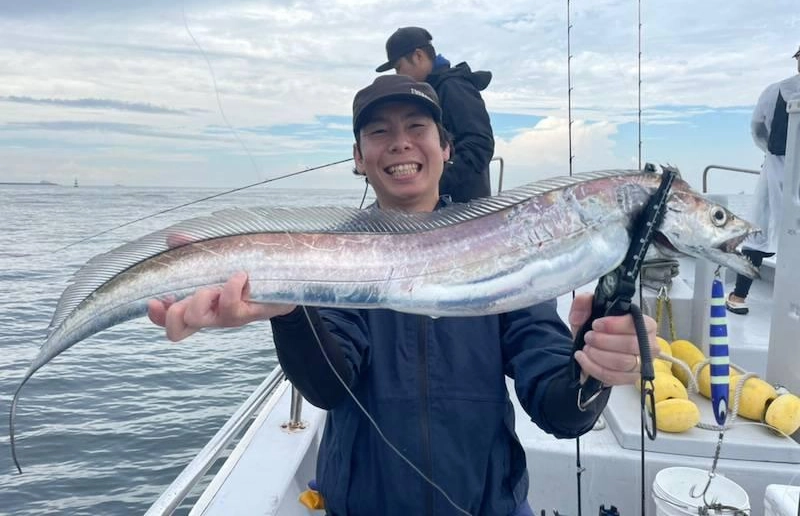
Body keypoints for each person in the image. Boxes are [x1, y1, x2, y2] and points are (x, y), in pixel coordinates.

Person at [148, 74, 657, 515]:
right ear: (358, 157)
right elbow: (329, 386)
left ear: (447, 148)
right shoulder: (332, 258)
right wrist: (290, 309)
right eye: (378, 131)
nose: (400, 143)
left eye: (417, 127)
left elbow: (558, 410)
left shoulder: (505, 251)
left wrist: (593, 368)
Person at [376, 26, 495, 203]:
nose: (398, 76)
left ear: (418, 56)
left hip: (462, 209)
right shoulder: (428, 92)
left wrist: (430, 182)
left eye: (399, 68)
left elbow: (480, 144)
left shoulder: (452, 86)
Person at [726, 45, 800, 314]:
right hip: (780, 168)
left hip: (777, 170)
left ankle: (738, 296)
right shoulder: (776, 90)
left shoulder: (774, 92)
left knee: (760, 233)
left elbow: (758, 128)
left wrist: (772, 154)